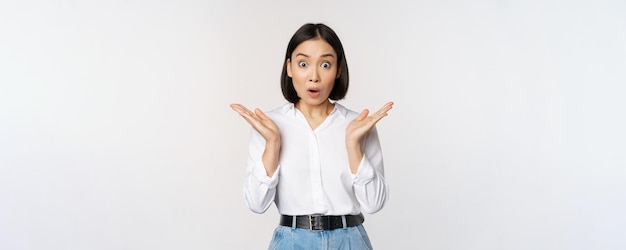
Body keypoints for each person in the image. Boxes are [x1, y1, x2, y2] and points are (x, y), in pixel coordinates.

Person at [230, 23, 392, 250]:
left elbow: (374, 204)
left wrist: (353, 145)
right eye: (303, 64)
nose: (313, 76)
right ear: (289, 68)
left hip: (350, 240)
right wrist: (273, 143)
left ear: (337, 70)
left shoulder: (358, 126)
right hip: (292, 241)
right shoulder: (268, 126)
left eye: (325, 64)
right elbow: (256, 204)